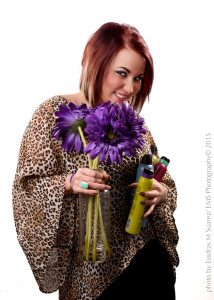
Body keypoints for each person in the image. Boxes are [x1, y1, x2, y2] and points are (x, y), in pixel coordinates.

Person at [12, 22, 179, 299]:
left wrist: (160, 192)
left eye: (138, 78)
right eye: (122, 73)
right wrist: (69, 182)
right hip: (88, 277)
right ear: (95, 63)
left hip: (147, 261)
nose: (130, 87)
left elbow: (165, 180)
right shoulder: (53, 114)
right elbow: (26, 189)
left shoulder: (135, 123)